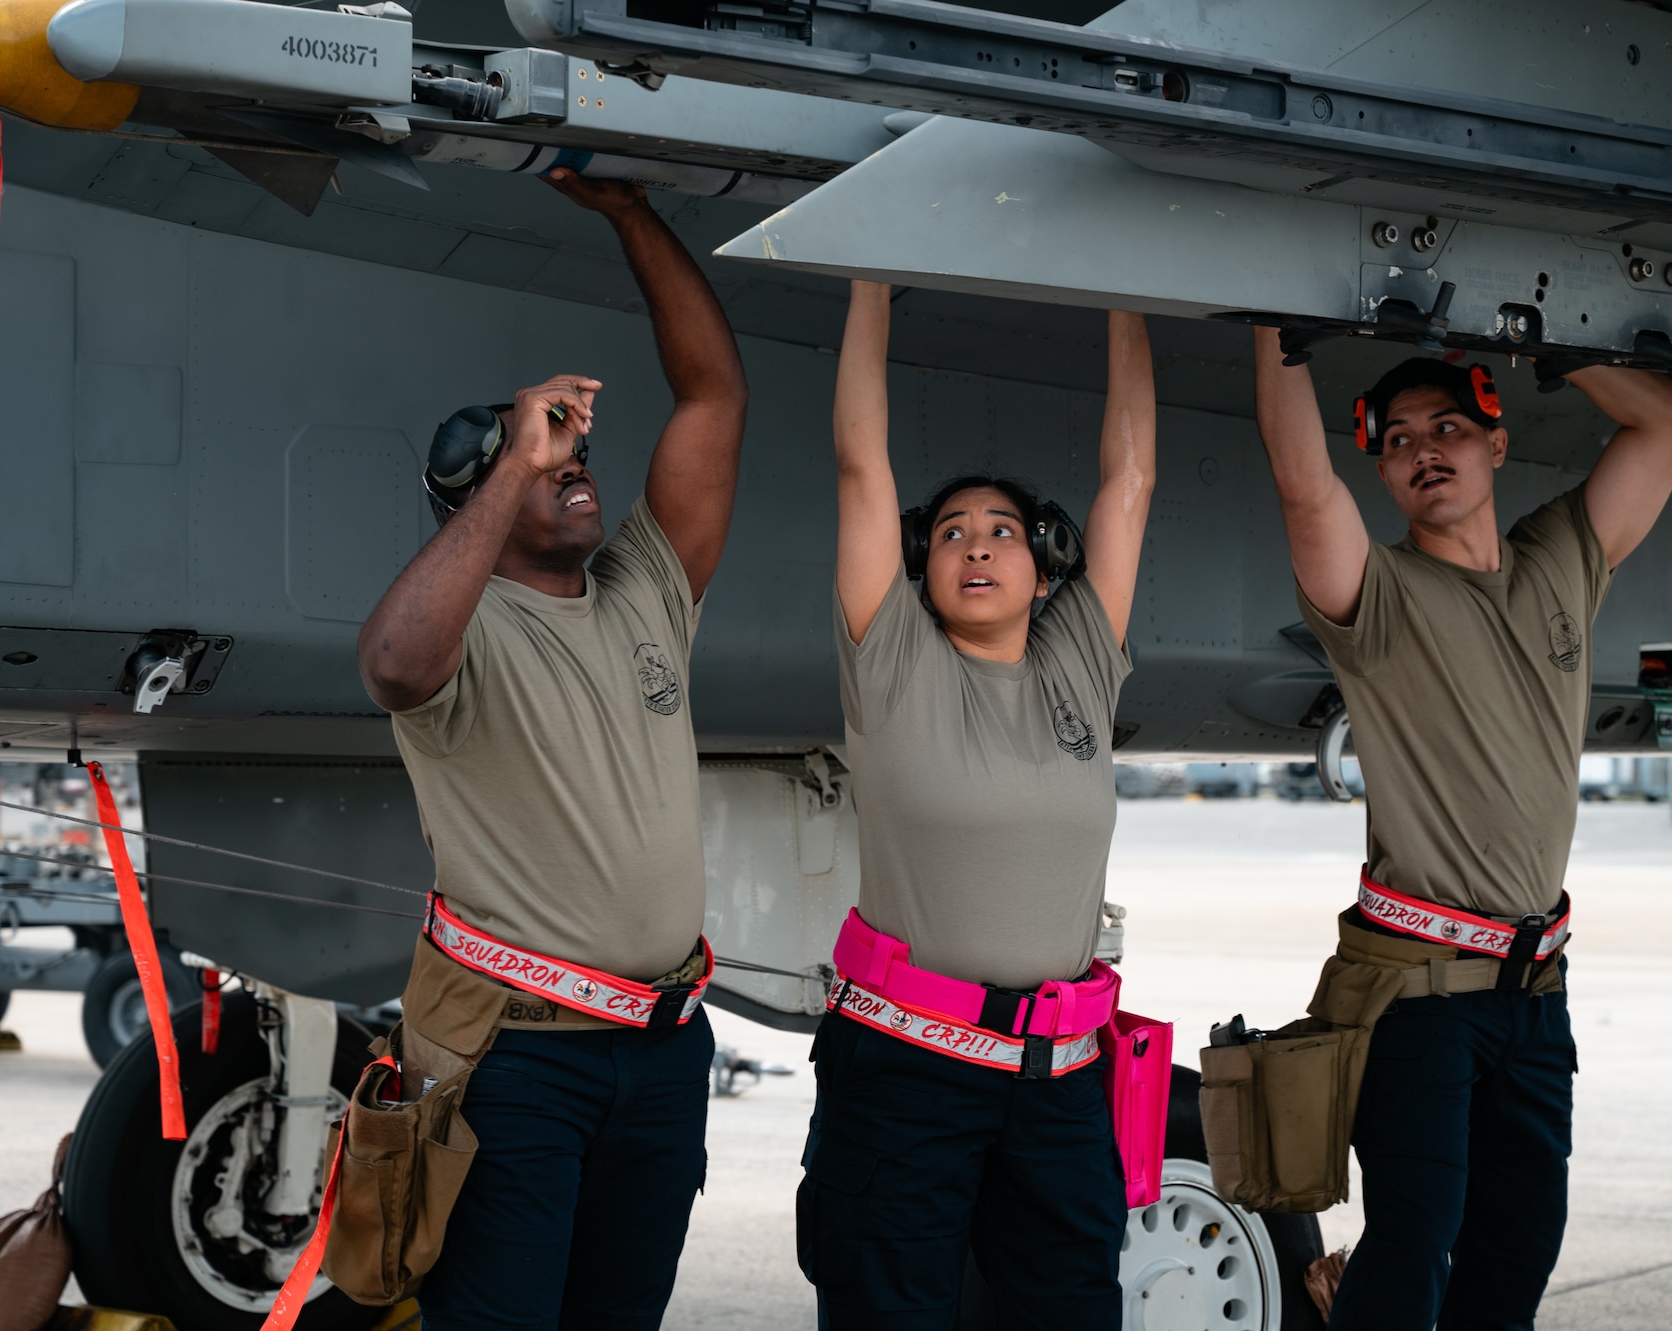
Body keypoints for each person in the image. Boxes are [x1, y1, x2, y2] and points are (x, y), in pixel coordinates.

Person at [352, 169, 746, 1331]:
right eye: (538, 466)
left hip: (662, 1047)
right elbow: (390, 663)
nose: (572, 466)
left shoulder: (643, 591)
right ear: (471, 505)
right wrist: (518, 458)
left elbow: (713, 396)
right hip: (513, 1060)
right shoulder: (462, 634)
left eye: (575, 457)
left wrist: (632, 214)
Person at [1254, 336, 1672, 1329]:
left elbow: (1670, 421)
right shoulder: (1377, 599)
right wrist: (1272, 334)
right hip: (1416, 998)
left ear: (1496, 443)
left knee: (1517, 1244)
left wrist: (1553, 350)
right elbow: (1300, 488)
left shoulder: (1563, 560)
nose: (1424, 449)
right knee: (1412, 1243)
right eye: (1399, 439)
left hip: (1534, 993)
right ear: (1382, 469)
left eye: (1448, 426)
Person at [796, 279, 1156, 1329]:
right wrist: (869, 282)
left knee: (1071, 1311)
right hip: (908, 1071)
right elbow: (862, 464)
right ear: (921, 570)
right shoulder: (894, 658)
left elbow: (1126, 482)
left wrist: (1131, 299)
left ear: (1042, 573)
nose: (978, 544)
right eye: (951, 532)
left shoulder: (1079, 661)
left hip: (1055, 1083)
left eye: (1002, 530)